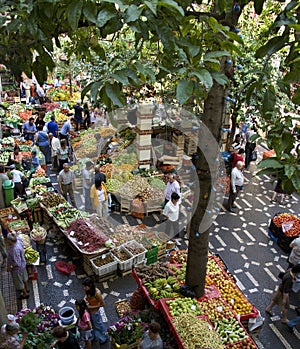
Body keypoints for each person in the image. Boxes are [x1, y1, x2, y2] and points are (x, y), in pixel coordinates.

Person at [82, 277, 107, 344]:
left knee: (98, 325)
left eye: (85, 286)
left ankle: (103, 338)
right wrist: (85, 299)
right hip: (89, 310)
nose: (84, 288)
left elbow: (103, 304)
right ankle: (94, 336)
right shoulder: (88, 290)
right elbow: (86, 296)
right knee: (93, 324)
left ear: (90, 286)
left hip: (95, 312)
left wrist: (91, 306)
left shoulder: (97, 293)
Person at [6, 232, 29, 300]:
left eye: (8, 240)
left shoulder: (14, 250)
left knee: (19, 282)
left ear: (10, 241)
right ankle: (27, 288)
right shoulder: (18, 241)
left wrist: (10, 267)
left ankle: (25, 293)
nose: (7, 241)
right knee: (25, 278)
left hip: (17, 269)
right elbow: (17, 236)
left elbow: (17, 263)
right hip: (23, 264)